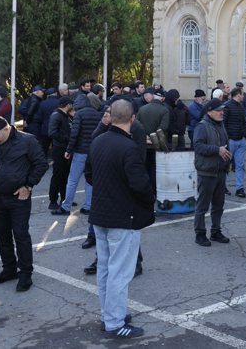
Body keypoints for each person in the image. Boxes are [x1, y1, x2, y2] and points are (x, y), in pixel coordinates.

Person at [85, 99, 154, 338]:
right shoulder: (129, 147)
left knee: (106, 268)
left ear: (110, 117)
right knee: (119, 273)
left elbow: (90, 175)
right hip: (123, 216)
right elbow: (140, 184)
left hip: (101, 214)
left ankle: (110, 315)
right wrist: (148, 202)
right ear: (132, 119)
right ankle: (114, 322)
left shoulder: (98, 142)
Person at [0, 116, 48, 292]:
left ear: (6, 129)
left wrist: (28, 185)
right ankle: (9, 269)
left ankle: (25, 273)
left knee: (20, 235)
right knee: (2, 234)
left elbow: (41, 164)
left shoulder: (27, 140)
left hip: (18, 196)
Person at [52, 93, 102, 215]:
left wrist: (68, 150)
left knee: (73, 180)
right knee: (90, 180)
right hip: (93, 152)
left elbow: (74, 135)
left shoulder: (79, 114)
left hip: (80, 152)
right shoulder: (97, 114)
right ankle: (88, 206)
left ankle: (66, 207)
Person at [192, 99, 232, 246]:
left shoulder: (220, 125)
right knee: (202, 205)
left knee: (218, 205)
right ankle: (200, 233)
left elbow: (225, 146)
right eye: (219, 110)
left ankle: (216, 231)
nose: (222, 112)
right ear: (209, 111)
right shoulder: (202, 126)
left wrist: (228, 162)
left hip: (220, 171)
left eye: (223, 110)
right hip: (207, 172)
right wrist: (217, 150)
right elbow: (198, 146)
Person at [47, 97, 73, 211]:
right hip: (59, 149)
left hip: (64, 148)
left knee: (65, 175)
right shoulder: (56, 115)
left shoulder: (64, 115)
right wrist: (66, 139)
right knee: (58, 175)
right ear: (67, 105)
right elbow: (52, 132)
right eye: (71, 104)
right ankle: (53, 201)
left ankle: (64, 199)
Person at [223, 87, 246, 197]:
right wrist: (226, 139)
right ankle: (222, 187)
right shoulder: (227, 106)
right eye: (242, 94)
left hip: (240, 140)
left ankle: (240, 188)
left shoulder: (241, 106)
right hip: (231, 141)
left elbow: (243, 122)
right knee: (225, 165)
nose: (243, 96)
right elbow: (223, 124)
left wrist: (244, 135)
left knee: (240, 165)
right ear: (238, 95)